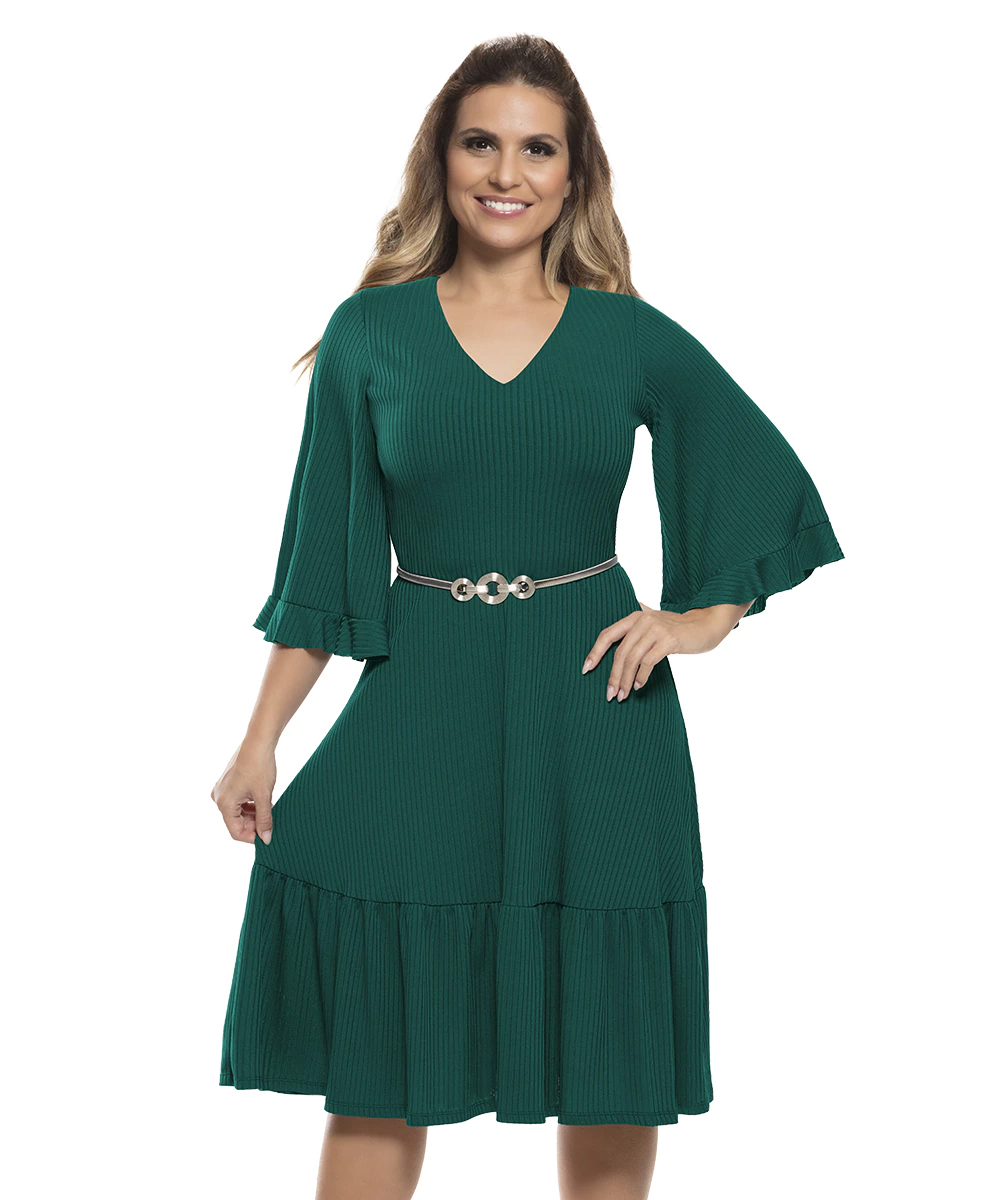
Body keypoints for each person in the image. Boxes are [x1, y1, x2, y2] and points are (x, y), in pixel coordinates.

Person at [213, 33, 845, 1200]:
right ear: (441, 160)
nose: (506, 172)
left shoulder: (628, 337)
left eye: (537, 148)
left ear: (574, 172)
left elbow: (759, 487)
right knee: (381, 1052)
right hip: (419, 698)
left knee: (608, 1049)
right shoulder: (370, 334)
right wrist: (259, 743)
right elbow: (322, 571)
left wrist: (697, 619)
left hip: (595, 710)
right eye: (480, 143)